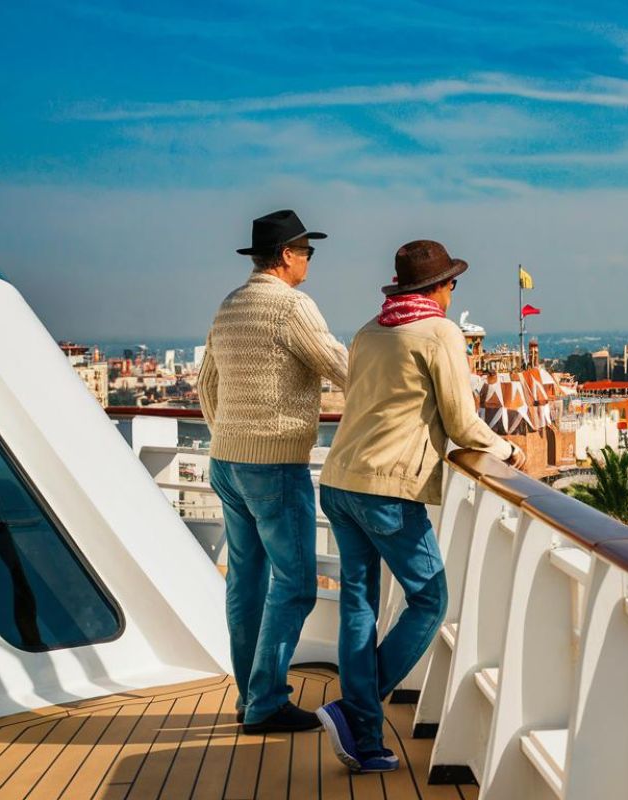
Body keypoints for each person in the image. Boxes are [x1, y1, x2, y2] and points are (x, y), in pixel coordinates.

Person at [315, 239, 525, 773]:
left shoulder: (369, 331)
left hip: (340, 480)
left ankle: (362, 734)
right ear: (439, 288)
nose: (454, 293)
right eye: (452, 284)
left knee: (359, 604)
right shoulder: (438, 332)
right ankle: (354, 711)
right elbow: (460, 423)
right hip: (389, 489)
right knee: (430, 600)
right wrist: (508, 449)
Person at [197, 209, 348, 733]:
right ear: (287, 254)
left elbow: (206, 387)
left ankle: (249, 697)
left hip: (226, 460)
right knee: (297, 583)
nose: (309, 261)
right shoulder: (290, 306)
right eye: (307, 251)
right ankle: (264, 702)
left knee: (245, 581)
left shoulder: (230, 305)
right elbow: (340, 366)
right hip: (274, 464)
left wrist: (231, 437)